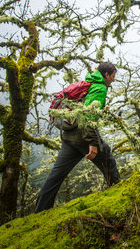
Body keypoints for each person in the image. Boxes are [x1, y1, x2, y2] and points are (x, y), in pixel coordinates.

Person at [35, 62, 121, 212]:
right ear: (106, 75)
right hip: (83, 137)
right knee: (109, 163)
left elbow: (90, 112)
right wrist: (93, 143)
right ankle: (120, 200)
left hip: (69, 137)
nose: (113, 80)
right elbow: (88, 116)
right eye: (113, 76)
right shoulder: (99, 88)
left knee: (56, 175)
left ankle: (40, 210)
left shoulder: (89, 83)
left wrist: (112, 118)